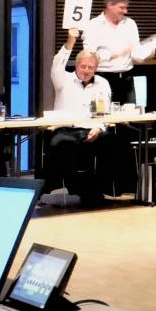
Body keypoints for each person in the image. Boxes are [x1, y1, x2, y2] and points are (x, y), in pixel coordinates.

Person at [45, 30, 119, 204]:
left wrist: (99, 128)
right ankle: (73, 190)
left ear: (95, 68)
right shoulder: (63, 80)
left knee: (113, 142)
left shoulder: (102, 83)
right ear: (76, 65)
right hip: (66, 129)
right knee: (60, 144)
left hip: (92, 128)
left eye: (90, 67)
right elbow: (57, 63)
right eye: (83, 66)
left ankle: (101, 191)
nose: (86, 71)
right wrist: (71, 40)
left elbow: (104, 113)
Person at [76, 0, 156, 105]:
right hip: (101, 79)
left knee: (130, 114)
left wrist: (149, 50)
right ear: (110, 5)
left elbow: (136, 56)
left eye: (126, 8)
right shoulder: (94, 25)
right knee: (102, 113)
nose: (125, 11)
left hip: (127, 79)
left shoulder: (130, 24)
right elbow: (88, 57)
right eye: (122, 7)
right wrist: (114, 54)